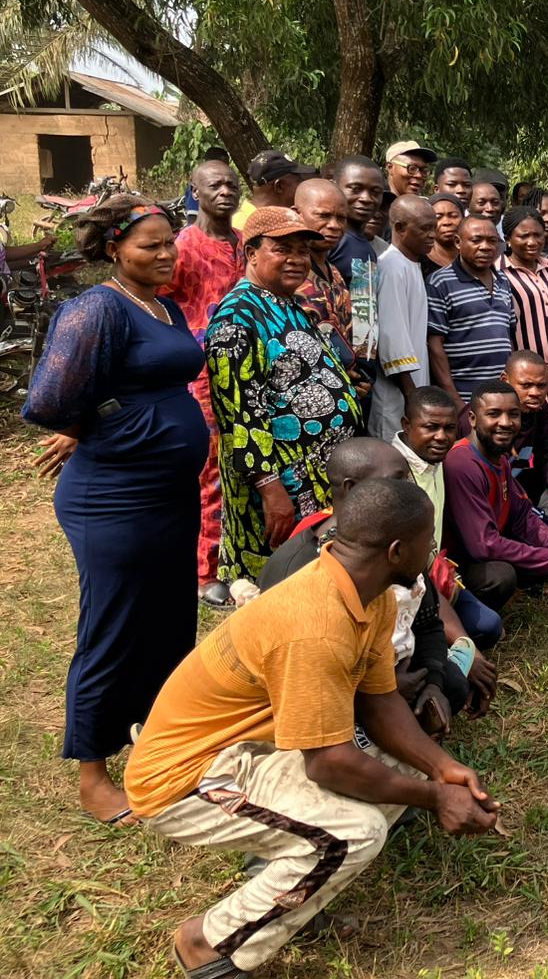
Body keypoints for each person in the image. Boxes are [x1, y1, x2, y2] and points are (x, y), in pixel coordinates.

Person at [125, 479, 502, 977]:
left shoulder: (373, 594)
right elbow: (328, 763)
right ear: (396, 550)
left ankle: (290, 891)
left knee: (389, 774)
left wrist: (443, 769)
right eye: (427, 541)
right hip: (184, 780)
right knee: (354, 833)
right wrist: (435, 798)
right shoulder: (315, 625)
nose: (433, 550)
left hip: (250, 751)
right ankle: (205, 942)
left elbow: (381, 702)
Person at [23, 198, 207, 823]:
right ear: (113, 251)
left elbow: (144, 378)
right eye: (149, 246)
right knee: (112, 626)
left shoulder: (165, 305)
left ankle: (158, 739)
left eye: (169, 244)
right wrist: (98, 422)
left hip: (169, 494)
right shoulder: (97, 307)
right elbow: (47, 401)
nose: (165, 255)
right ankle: (93, 772)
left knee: (169, 618)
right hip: (113, 498)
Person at [252, 438, 486, 722]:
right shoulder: (296, 570)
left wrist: (433, 683)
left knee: (450, 684)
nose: (409, 490)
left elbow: (427, 622)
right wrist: (379, 691)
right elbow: (294, 675)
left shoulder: (400, 543)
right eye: (397, 481)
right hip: (318, 698)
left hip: (386, 671)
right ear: (352, 489)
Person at [209, 208, 360, 594]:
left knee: (314, 580)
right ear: (252, 253)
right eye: (283, 249)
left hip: (317, 477)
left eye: (302, 250)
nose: (297, 259)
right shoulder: (237, 317)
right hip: (280, 484)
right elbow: (240, 416)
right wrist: (270, 488)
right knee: (278, 583)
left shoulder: (289, 303)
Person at [161, 160, 245, 601]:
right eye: (214, 185)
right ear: (195, 191)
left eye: (232, 184)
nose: (225, 191)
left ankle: (240, 557)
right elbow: (155, 307)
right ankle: (204, 571)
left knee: (246, 465)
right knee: (208, 474)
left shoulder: (245, 244)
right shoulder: (182, 249)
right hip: (202, 379)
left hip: (247, 376)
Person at [444, 381, 548, 609]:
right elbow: (484, 545)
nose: (505, 423)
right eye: (494, 414)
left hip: (480, 552)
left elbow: (523, 517)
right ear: (473, 419)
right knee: (502, 576)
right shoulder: (461, 463)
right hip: (455, 563)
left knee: (536, 556)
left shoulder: (500, 458)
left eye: (513, 415)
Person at [394, 385, 504, 652]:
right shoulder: (393, 469)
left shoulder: (441, 460)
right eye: (431, 427)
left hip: (435, 573)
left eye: (449, 428)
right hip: (399, 585)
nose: (441, 437)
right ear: (407, 425)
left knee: (488, 626)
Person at [426, 215, 514, 414]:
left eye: (492, 241)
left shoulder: (503, 281)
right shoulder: (440, 282)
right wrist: (455, 400)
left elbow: (509, 336)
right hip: (465, 398)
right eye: (476, 240)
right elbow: (434, 344)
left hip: (501, 398)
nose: (485, 247)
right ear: (458, 242)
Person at [499, 206, 548, 408]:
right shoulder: (498, 273)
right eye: (524, 236)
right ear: (508, 238)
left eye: (538, 235)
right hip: (525, 382)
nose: (532, 242)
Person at [372, 195, 437, 442]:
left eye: (434, 228)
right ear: (399, 228)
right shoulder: (391, 266)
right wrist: (413, 397)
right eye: (424, 229)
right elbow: (392, 335)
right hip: (398, 394)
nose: (432, 235)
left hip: (414, 387)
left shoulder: (411, 264)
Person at [499, 351, 548, 532]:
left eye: (541, 386)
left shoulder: (539, 411)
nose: (535, 393)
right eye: (526, 385)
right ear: (505, 381)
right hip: (496, 497)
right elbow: (500, 489)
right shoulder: (489, 420)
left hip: (521, 485)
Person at [294, 178, 360, 377]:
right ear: (297, 214)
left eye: (341, 218)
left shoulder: (335, 272)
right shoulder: (289, 273)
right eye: (323, 215)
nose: (334, 225)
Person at [328, 156, 385, 386]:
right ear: (335, 186)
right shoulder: (338, 241)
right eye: (355, 188)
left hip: (358, 370)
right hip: (342, 369)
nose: (366, 198)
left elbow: (365, 313)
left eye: (375, 192)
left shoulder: (362, 245)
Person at [233, 149, 314, 230]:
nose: (302, 187)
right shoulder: (240, 227)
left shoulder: (278, 220)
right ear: (279, 186)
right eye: (298, 180)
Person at [426, 191, 464, 277]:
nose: (446, 222)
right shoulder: (420, 260)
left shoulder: (472, 257)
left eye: (453, 216)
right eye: (438, 217)